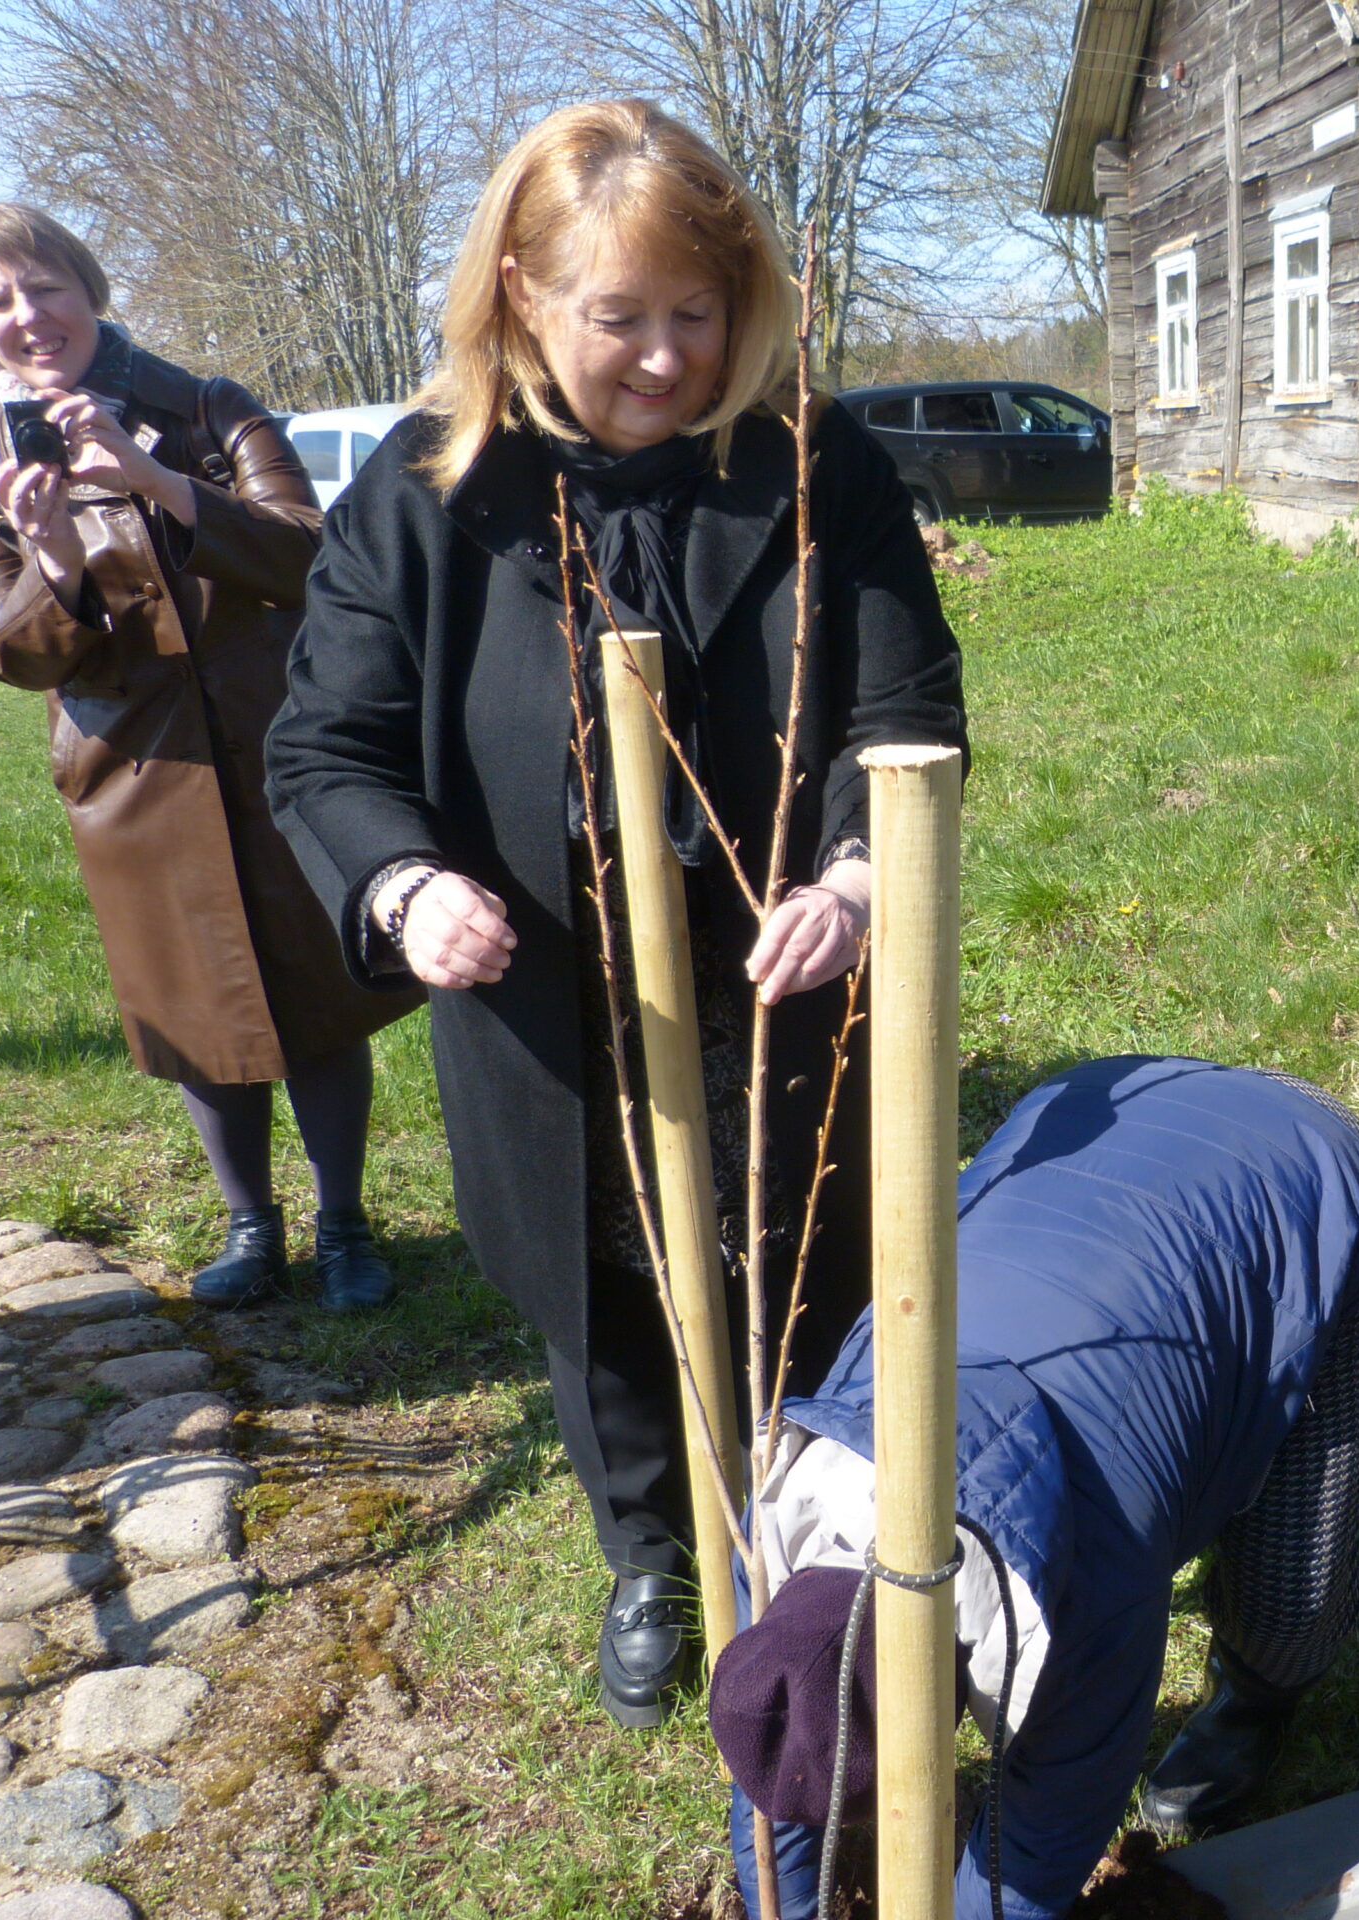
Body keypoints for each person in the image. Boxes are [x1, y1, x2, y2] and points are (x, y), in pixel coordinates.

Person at [264, 100, 967, 1728]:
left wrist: (859, 876)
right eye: (620, 317)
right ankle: (650, 1545)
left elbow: (903, 708)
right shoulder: (428, 493)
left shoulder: (814, 467)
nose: (665, 358)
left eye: (697, 314)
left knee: (804, 1232)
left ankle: (818, 1517)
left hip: (780, 967)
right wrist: (406, 885)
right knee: (601, 1269)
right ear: (520, 295)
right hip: (545, 986)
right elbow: (326, 748)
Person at [708, 1056, 1359, 1920]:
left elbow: (1035, 1856)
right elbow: (779, 1743)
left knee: (1286, 1605)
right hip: (1099, 1111)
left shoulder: (1087, 1600)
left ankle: (1257, 1698)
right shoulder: (777, 1506)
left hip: (1308, 1177)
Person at [0, 204, 415, 1313]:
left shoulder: (208, 409)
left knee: (318, 994)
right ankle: (252, 1228)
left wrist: (160, 485)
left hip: (278, 746)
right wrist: (52, 557)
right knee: (198, 1008)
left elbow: (314, 559)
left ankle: (345, 1226)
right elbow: (2, 649)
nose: (28, 315)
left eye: (45, 286)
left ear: (87, 288)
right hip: (133, 774)